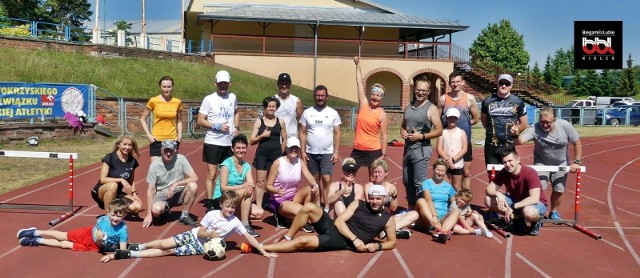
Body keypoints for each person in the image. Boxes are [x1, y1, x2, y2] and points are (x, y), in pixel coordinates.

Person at [101, 190, 276, 262]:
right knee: (164, 243)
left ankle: (130, 253)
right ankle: (142, 245)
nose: (230, 209)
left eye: (232, 207)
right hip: (194, 236)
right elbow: (200, 230)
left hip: (201, 247)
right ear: (222, 205)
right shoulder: (212, 214)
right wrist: (211, 234)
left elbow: (248, 236)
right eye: (227, 206)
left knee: (168, 252)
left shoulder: (235, 222)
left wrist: (264, 250)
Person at [253, 184, 396, 253]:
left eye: (378, 198)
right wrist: (355, 239)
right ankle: (288, 238)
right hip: (334, 227)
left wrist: (378, 246)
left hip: (340, 241)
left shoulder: (388, 219)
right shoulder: (358, 204)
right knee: (309, 206)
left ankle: (261, 247)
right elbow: (339, 222)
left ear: (384, 198)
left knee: (303, 241)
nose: (375, 201)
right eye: (372, 198)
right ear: (368, 197)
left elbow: (392, 242)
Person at [512, 106, 582, 220]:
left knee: (559, 189)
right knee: (539, 187)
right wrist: (515, 134)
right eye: (542, 122)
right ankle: (537, 211)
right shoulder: (534, 128)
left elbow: (577, 143)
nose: (544, 125)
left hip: (561, 162)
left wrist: (577, 162)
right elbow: (519, 141)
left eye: (548, 122)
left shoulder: (564, 126)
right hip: (542, 162)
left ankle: (553, 211)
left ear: (554, 120)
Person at [18, 199, 129, 256]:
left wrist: (114, 250)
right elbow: (98, 238)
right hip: (88, 234)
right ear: (108, 213)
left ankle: (37, 240)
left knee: (63, 244)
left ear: (124, 216)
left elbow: (122, 250)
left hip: (95, 246)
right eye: (113, 215)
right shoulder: (102, 221)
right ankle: (35, 232)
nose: (115, 219)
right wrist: (100, 238)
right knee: (63, 236)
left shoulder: (123, 230)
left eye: (119, 216)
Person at [197, 70, 240, 211]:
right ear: (215, 83)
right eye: (220, 83)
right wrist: (217, 126)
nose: (223, 86)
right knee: (212, 173)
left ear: (230, 84)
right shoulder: (209, 99)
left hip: (228, 142)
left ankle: (224, 199)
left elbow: (236, 112)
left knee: (226, 173)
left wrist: (236, 127)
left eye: (225, 83)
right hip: (213, 142)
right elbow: (200, 120)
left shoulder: (232, 97)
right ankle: (210, 202)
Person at [401, 77, 443, 210]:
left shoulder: (431, 108)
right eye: (418, 90)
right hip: (408, 149)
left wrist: (422, 136)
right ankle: (411, 209)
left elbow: (439, 130)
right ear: (414, 90)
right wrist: (402, 132)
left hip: (421, 149)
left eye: (424, 91)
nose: (420, 93)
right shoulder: (409, 105)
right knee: (407, 182)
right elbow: (403, 125)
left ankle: (424, 211)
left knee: (419, 183)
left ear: (429, 92)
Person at [484, 149, 548, 236]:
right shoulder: (504, 172)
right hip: (517, 201)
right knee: (488, 200)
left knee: (528, 212)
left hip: (536, 203)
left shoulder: (529, 172)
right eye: (504, 162)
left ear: (518, 160)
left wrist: (513, 207)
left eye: (510, 161)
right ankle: (518, 219)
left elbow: (534, 198)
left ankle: (536, 220)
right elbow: (489, 189)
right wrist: (497, 194)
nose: (507, 165)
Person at [299, 85, 342, 207]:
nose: (320, 98)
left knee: (327, 179)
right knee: (315, 180)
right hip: (311, 153)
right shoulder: (307, 112)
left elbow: (338, 133)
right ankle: (317, 204)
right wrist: (302, 151)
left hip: (327, 153)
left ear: (327, 97)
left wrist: (336, 151)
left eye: (322, 95)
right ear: (314, 97)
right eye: (318, 95)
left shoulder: (333, 113)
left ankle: (326, 204)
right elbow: (302, 132)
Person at [264, 137, 319, 231]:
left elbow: (310, 178)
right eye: (291, 148)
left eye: (296, 148)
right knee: (304, 211)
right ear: (286, 148)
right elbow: (268, 186)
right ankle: (296, 219)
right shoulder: (278, 163)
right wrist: (276, 190)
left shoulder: (300, 162)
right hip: (280, 200)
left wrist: (314, 184)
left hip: (293, 197)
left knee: (312, 189)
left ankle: (296, 217)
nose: (294, 150)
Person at [437, 72, 480, 190]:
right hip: (446, 142)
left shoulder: (470, 98)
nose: (455, 84)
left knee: (465, 173)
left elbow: (475, 119)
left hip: (463, 142)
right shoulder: (442, 99)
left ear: (463, 82)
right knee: (445, 173)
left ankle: (465, 200)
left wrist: (460, 130)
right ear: (449, 83)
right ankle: (446, 200)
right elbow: (437, 120)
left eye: (457, 81)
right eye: (452, 82)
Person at [142, 140, 199, 228]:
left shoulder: (181, 159)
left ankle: (184, 216)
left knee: (193, 185)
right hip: (162, 194)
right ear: (161, 150)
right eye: (166, 150)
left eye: (171, 151)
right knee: (156, 210)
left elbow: (194, 177)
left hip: (179, 193)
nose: (168, 153)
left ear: (175, 150)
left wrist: (176, 183)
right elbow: (150, 190)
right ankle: (164, 211)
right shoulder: (155, 165)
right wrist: (149, 213)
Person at [481, 74, 528, 178]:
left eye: (507, 84)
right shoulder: (487, 101)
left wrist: (517, 129)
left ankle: (509, 194)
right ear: (497, 84)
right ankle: (494, 194)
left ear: (511, 86)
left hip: (509, 145)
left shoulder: (518, 102)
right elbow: (485, 122)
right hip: (491, 146)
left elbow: (524, 124)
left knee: (512, 175)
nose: (503, 86)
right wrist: (493, 132)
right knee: (492, 177)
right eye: (501, 83)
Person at [214, 134, 261, 237]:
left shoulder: (246, 166)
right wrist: (244, 186)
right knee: (246, 192)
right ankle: (244, 225)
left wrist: (249, 186)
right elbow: (223, 188)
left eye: (243, 148)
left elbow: (251, 183)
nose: (241, 150)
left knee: (259, 213)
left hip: (237, 197)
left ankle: (233, 218)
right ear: (232, 148)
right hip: (222, 196)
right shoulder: (226, 164)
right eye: (238, 148)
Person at [351, 57, 388, 175]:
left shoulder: (382, 114)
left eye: (378, 95)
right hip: (358, 149)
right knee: (349, 173)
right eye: (373, 94)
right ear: (370, 95)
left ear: (382, 98)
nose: (375, 97)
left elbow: (384, 136)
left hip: (373, 150)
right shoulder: (364, 104)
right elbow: (359, 84)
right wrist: (357, 65)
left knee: (374, 178)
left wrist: (384, 153)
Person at [364, 159, 419, 239]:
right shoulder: (368, 186)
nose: (377, 174)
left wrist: (394, 196)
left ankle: (387, 231)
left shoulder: (391, 187)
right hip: (374, 217)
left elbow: (393, 208)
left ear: (386, 173)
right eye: (375, 172)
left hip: (388, 218)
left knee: (414, 214)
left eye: (379, 172)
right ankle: (393, 230)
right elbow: (370, 205)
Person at [250, 96, 288, 212]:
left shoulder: (280, 122)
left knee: (275, 181)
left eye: (273, 106)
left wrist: (280, 153)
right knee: (261, 182)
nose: (271, 108)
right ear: (265, 107)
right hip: (262, 155)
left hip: (276, 155)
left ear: (276, 108)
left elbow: (285, 139)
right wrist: (262, 136)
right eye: (269, 106)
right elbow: (251, 140)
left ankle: (274, 204)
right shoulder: (259, 122)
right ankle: (259, 205)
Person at [91, 134, 143, 215]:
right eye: (124, 144)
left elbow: (131, 180)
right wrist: (121, 179)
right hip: (101, 191)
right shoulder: (109, 158)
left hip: (118, 193)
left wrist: (134, 194)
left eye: (130, 145)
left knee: (137, 207)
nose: (127, 147)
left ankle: (117, 209)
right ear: (118, 144)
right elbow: (102, 179)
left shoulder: (132, 161)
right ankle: (107, 216)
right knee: (113, 185)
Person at [139, 76, 183, 162]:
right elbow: (142, 119)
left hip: (172, 140)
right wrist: (149, 135)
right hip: (156, 139)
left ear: (172, 87)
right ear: (160, 87)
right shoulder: (153, 101)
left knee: (171, 170)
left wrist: (180, 135)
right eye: (164, 87)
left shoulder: (177, 102)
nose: (166, 89)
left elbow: (180, 120)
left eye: (169, 87)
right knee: (155, 169)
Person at [415, 159, 459, 243]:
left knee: (456, 211)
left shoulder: (448, 187)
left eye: (443, 171)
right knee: (421, 201)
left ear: (445, 172)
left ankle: (441, 233)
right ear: (433, 169)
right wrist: (434, 216)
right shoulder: (426, 183)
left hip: (441, 220)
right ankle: (437, 227)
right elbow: (428, 200)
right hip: (427, 218)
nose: (440, 173)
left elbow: (454, 204)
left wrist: (467, 212)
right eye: (438, 170)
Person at [436, 108, 468, 191]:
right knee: (445, 186)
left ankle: (457, 203)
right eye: (450, 117)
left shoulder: (462, 132)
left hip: (458, 163)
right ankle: (446, 203)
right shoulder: (442, 132)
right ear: (446, 118)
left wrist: (453, 159)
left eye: (454, 118)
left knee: (457, 186)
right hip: (445, 163)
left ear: (458, 119)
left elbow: (464, 149)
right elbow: (439, 149)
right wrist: (448, 160)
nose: (452, 120)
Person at [274, 72, 303, 139]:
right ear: (278, 84)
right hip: (276, 138)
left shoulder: (296, 101)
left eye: (287, 84)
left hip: (291, 139)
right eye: (282, 84)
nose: (284, 86)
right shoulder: (272, 100)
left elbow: (300, 122)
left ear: (290, 85)